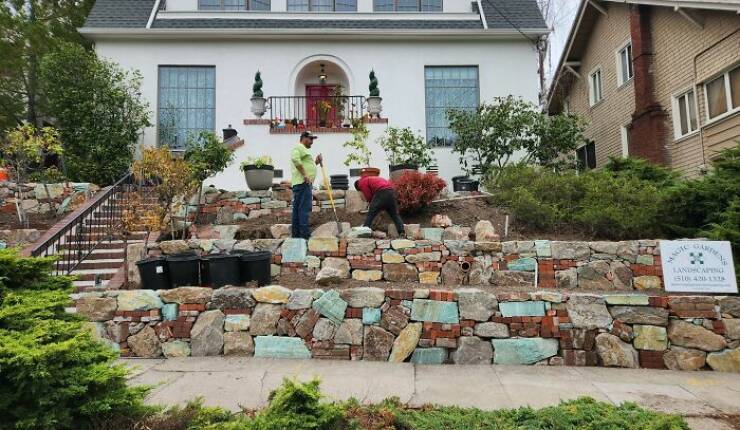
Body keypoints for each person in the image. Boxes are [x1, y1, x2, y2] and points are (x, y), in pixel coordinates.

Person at [291, 131, 322, 239]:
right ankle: (304, 236)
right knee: (304, 209)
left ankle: (296, 237)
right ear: (304, 138)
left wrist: (316, 162)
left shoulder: (302, 149)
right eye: (311, 139)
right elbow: (295, 159)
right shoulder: (299, 147)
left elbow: (306, 164)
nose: (312, 142)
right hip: (303, 184)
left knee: (298, 210)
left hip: (301, 184)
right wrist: (305, 175)